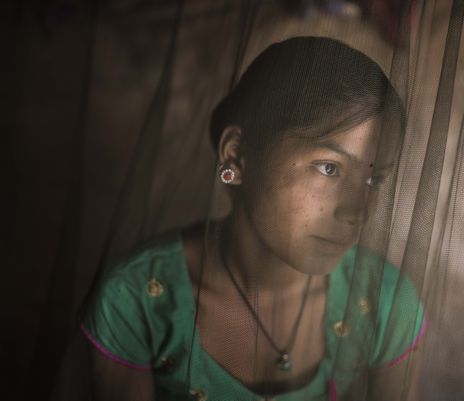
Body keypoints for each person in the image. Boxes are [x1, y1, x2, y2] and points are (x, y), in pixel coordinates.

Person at [79, 36, 426, 401]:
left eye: (375, 180)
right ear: (236, 157)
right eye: (329, 168)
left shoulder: (383, 302)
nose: (357, 211)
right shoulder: (138, 299)